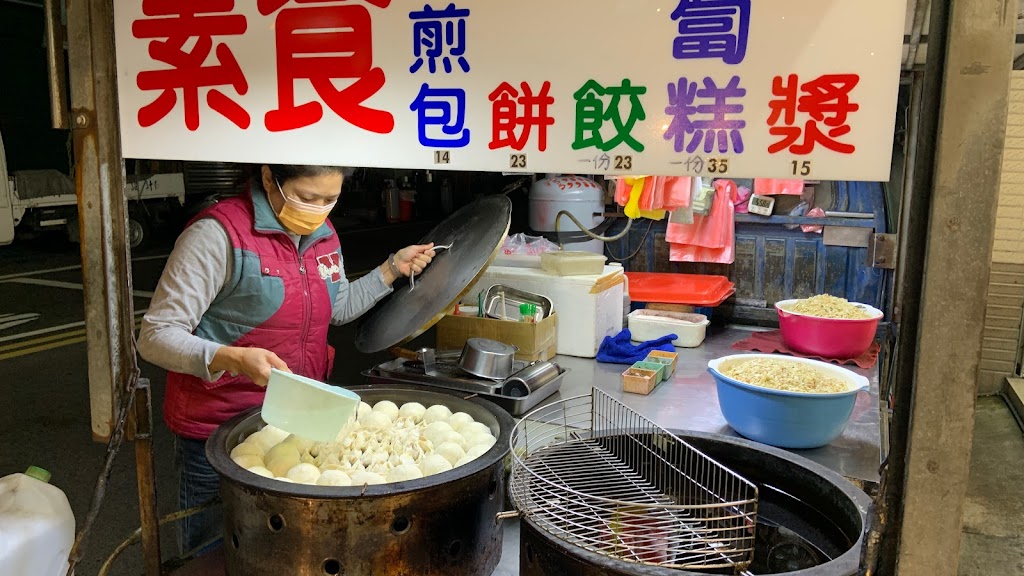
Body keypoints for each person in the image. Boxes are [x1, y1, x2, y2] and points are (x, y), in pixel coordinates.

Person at [138, 164, 434, 554]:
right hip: (220, 431)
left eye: (330, 199)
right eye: (307, 198)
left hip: (299, 425)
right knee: (216, 550)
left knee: (291, 549)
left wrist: (392, 268)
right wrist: (232, 358)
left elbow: (338, 308)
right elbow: (156, 336)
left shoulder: (324, 235)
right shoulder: (217, 235)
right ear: (268, 179)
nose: (318, 210)